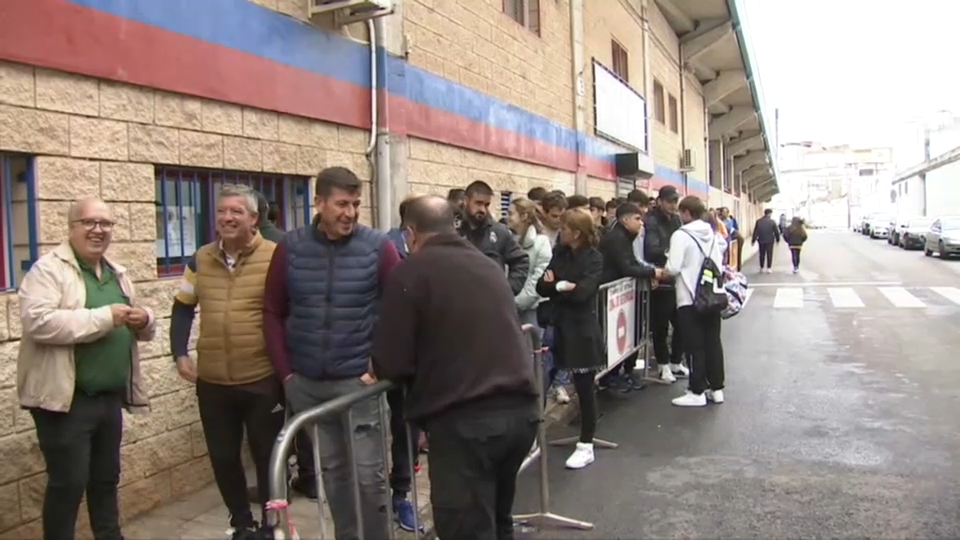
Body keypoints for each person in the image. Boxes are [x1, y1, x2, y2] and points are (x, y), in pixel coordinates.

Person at [371, 196, 539, 540]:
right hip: (519, 416)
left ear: (411, 233)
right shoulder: (487, 265)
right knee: (497, 521)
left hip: (466, 426)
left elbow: (393, 362)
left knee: (466, 529)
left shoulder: (410, 272)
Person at [263, 166, 401, 540]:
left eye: (356, 204)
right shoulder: (290, 248)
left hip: (360, 386)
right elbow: (273, 311)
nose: (351, 213)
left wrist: (381, 364)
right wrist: (286, 375)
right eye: (342, 204)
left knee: (369, 479)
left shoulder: (378, 247)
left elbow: (402, 309)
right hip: (308, 385)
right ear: (319, 202)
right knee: (335, 478)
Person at [17, 197, 156, 540]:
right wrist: (105, 317)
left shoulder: (116, 272)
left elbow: (141, 329)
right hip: (65, 401)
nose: (98, 231)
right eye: (90, 223)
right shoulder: (48, 270)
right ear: (72, 228)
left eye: (106, 224)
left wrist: (145, 320)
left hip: (109, 398)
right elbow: (39, 322)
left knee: (106, 479)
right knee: (69, 484)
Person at [169, 184, 284, 539]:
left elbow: (292, 311)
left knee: (268, 458)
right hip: (214, 381)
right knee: (222, 455)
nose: (227, 218)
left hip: (262, 377)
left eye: (236, 211)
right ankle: (241, 522)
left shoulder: (277, 256)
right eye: (222, 211)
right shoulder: (200, 258)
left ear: (253, 218)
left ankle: (270, 523)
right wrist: (179, 352)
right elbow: (183, 306)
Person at [536, 210, 606, 470]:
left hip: (581, 330)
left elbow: (585, 293)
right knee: (542, 380)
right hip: (555, 327)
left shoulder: (594, 259)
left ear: (576, 232)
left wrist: (559, 286)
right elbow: (541, 286)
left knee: (585, 388)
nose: (560, 230)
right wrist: (561, 286)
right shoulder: (559, 253)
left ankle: (586, 444)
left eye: (565, 227)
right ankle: (532, 438)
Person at [663, 196, 727, 407]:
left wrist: (661, 270)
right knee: (713, 342)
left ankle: (696, 390)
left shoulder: (681, 235)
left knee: (695, 345)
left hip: (690, 297)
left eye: (681, 212)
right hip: (712, 296)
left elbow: (673, 268)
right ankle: (716, 388)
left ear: (687, 213)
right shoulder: (711, 232)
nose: (679, 216)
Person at [598, 203, 662, 390]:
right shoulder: (615, 238)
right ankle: (609, 377)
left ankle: (624, 371)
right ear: (625, 220)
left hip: (622, 293)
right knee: (613, 335)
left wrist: (649, 273)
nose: (641, 223)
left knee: (629, 333)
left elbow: (632, 262)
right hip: (611, 292)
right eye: (637, 218)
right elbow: (626, 266)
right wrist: (652, 272)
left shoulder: (626, 236)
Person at [507, 198, 553, 395]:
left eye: (511, 213)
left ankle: (536, 401)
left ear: (524, 216)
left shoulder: (542, 244)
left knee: (532, 358)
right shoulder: (506, 240)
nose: (507, 217)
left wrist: (512, 303)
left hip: (532, 311)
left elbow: (536, 282)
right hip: (509, 308)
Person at [644, 185, 688, 383]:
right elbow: (651, 249)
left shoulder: (676, 220)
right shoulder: (651, 221)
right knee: (660, 326)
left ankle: (676, 361)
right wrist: (670, 255)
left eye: (675, 201)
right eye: (669, 201)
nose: (672, 205)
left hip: (676, 278)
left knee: (681, 325)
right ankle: (663, 365)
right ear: (660, 201)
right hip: (660, 279)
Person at [457, 180, 530, 295]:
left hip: (490, 304)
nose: (482, 209)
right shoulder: (452, 230)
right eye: (478, 203)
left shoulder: (499, 232)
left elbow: (521, 261)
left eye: (486, 205)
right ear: (466, 201)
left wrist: (507, 291)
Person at [752, 209, 781, 273]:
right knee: (769, 254)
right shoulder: (772, 222)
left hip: (761, 240)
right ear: (770, 214)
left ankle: (761, 267)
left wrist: (753, 240)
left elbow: (756, 231)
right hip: (770, 240)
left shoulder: (759, 221)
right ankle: (769, 268)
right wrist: (778, 239)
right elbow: (776, 232)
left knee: (762, 254)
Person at [719, 207, 743, 271]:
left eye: (725, 212)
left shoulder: (729, 220)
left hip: (736, 236)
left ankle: (737, 268)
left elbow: (727, 229)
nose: (723, 214)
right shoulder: (721, 220)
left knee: (736, 253)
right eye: (722, 212)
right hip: (730, 236)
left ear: (727, 213)